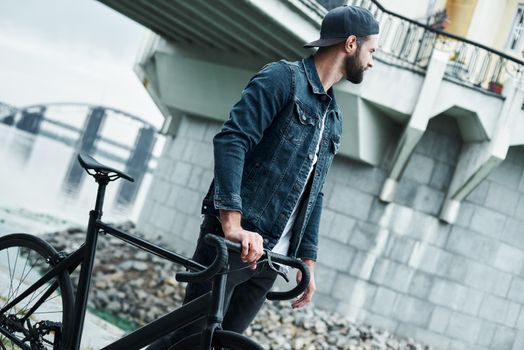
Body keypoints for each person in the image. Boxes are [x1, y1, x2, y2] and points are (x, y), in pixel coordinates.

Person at [147, 5, 379, 349]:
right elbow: (232, 140)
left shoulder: (334, 117)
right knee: (192, 340)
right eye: (371, 51)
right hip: (235, 244)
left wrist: (307, 262)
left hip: (272, 257)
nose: (372, 62)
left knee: (217, 343)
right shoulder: (283, 79)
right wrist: (232, 224)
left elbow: (315, 193)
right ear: (350, 44)